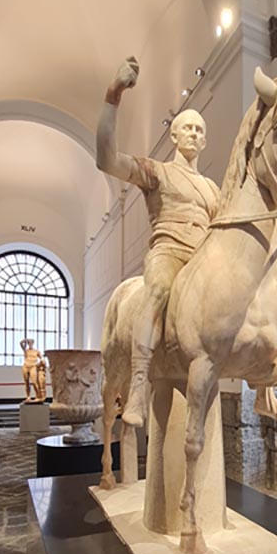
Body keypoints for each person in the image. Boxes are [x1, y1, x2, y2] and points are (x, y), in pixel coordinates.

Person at [96, 57, 220, 425]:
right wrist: (113, 94)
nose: (195, 134)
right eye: (188, 128)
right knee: (159, 288)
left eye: (200, 129)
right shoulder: (158, 172)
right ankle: (137, 385)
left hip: (203, 263)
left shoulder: (212, 189)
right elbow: (107, 159)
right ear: (175, 135)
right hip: (169, 251)